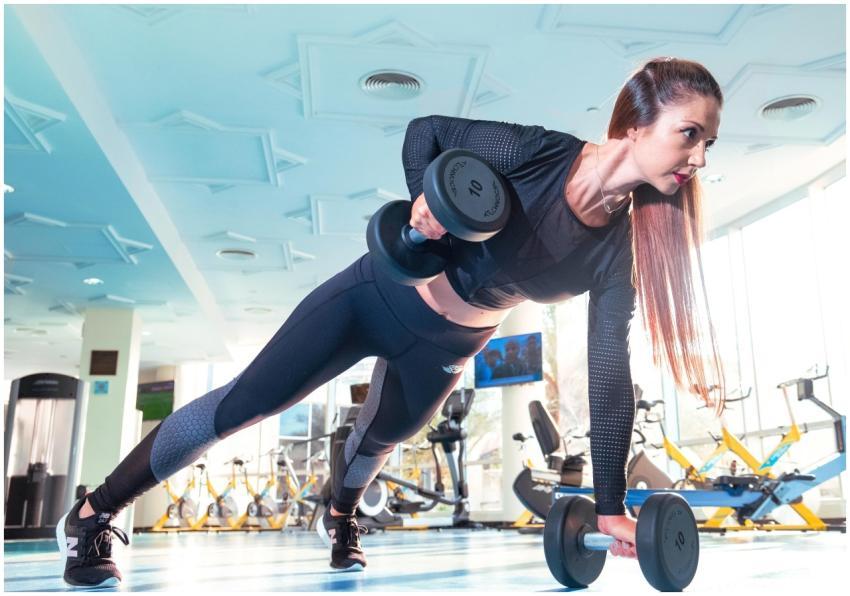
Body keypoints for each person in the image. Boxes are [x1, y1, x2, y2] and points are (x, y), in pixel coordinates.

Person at [57, 56, 725, 587]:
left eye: (709, 143)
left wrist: (610, 506)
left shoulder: (618, 252)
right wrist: (423, 203)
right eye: (689, 134)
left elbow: (611, 376)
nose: (699, 157)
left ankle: (341, 516)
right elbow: (426, 134)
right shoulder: (541, 154)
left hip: (446, 344)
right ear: (635, 125)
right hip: (372, 294)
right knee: (245, 405)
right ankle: (93, 513)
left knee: (381, 440)